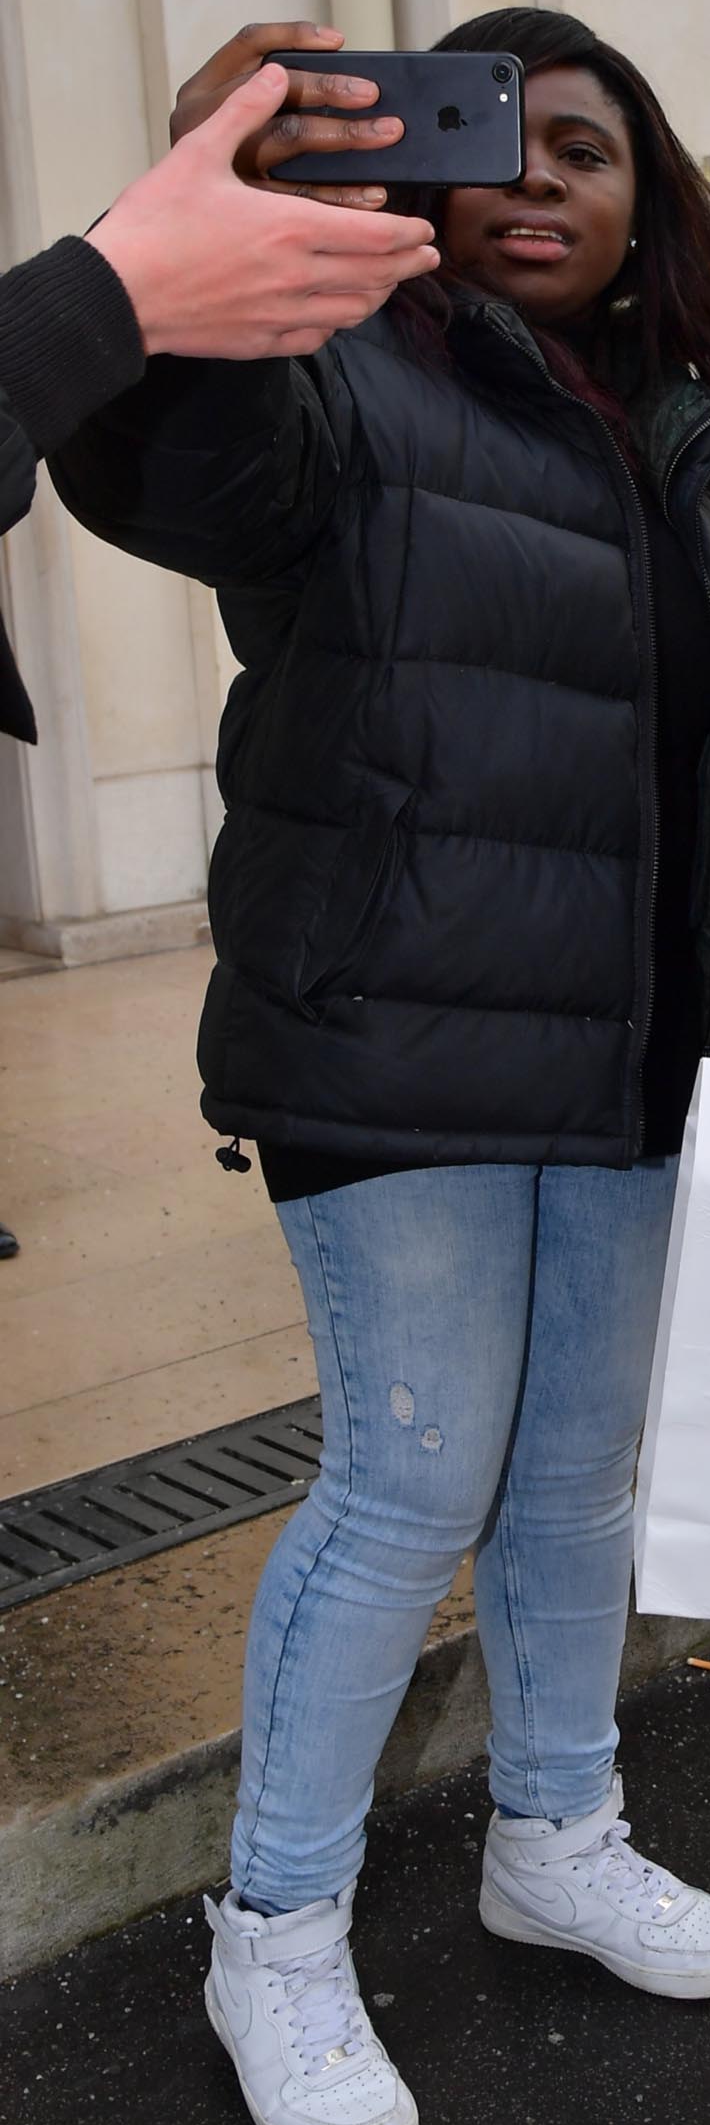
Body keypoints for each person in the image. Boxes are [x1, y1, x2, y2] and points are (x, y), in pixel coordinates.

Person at [52, 11, 710, 2125]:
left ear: (649, 190)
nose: (539, 181)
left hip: (631, 1053)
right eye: (497, 144)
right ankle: (273, 1927)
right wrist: (215, 216)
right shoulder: (342, 375)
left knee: (574, 1479)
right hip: (398, 1039)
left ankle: (556, 1830)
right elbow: (160, 462)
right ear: (425, 181)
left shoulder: (683, 440)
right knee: (407, 1480)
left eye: (589, 147)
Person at [0, 61, 440, 1261]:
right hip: (387, 1066)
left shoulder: (678, 433)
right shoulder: (350, 400)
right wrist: (124, 288)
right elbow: (209, 492)